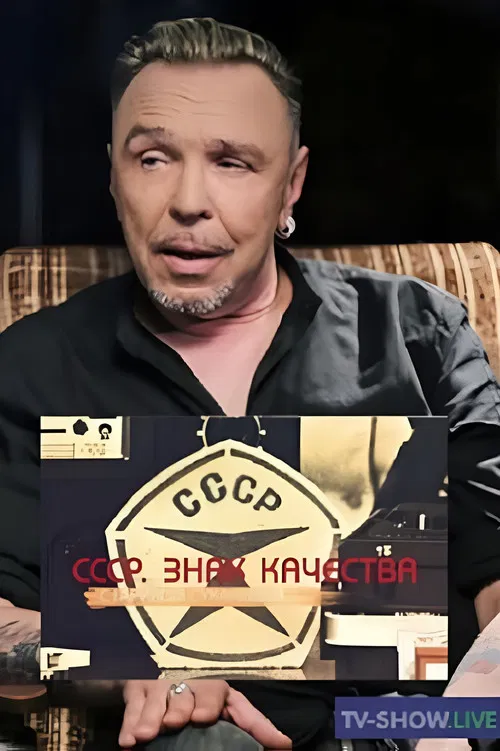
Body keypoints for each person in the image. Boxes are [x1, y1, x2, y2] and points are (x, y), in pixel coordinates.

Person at [1, 15, 500, 751]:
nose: (188, 200)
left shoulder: (415, 331)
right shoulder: (37, 364)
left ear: (290, 184)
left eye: (232, 162)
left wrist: (460, 727)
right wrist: (120, 664)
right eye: (152, 158)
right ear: (112, 174)